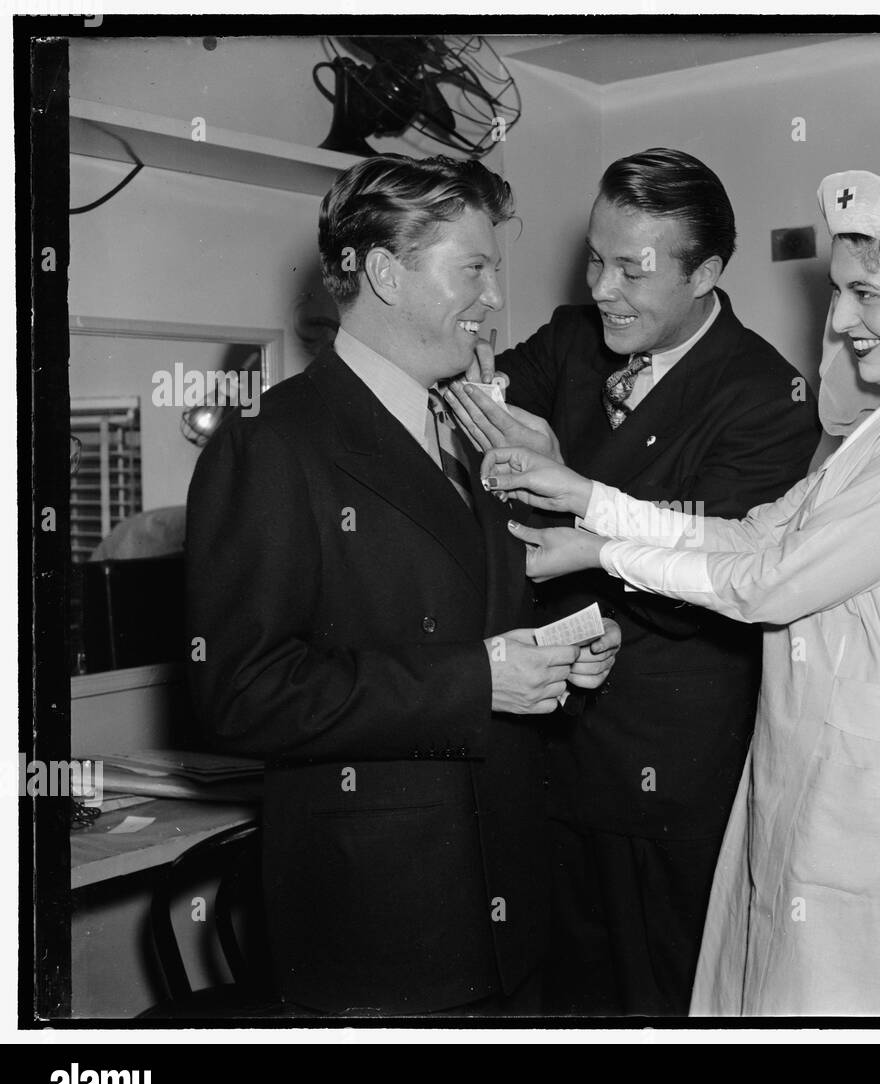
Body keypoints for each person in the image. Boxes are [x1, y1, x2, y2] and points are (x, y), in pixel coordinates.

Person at [481, 169, 880, 1015]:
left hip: (879, 801)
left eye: (864, 294)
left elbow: (766, 583)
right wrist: (587, 502)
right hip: (803, 773)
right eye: (838, 292)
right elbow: (755, 533)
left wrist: (601, 551)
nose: (837, 320)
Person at [185, 154, 619, 1016]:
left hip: (515, 912)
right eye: (475, 269)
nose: (496, 298)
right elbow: (239, 691)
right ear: (385, 273)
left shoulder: (473, 427)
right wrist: (478, 679)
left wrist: (574, 641)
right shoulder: (271, 444)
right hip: (383, 929)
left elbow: (496, 603)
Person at [443, 149, 820, 1015]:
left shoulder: (765, 394)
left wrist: (567, 491)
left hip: (664, 777)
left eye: (631, 269)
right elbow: (483, 408)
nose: (602, 286)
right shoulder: (577, 336)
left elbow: (711, 585)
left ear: (708, 274)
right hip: (543, 751)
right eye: (595, 258)